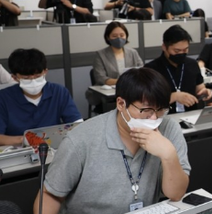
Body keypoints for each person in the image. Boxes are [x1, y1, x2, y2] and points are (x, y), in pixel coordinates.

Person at [36, 68, 190, 213]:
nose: (155, 118)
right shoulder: (81, 139)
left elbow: (176, 194)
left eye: (161, 109)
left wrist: (168, 155)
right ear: (121, 104)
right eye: (146, 110)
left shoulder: (169, 128)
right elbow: (50, 195)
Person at [0, 48, 82, 146]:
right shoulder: (4, 98)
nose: (33, 81)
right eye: (26, 78)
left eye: (38, 76)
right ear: (14, 77)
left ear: (45, 72)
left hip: (53, 148)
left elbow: (77, 125)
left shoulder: (59, 92)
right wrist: (24, 140)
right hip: (18, 152)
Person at [144, 25, 212, 113]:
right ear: (164, 47)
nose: (181, 53)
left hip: (191, 115)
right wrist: (174, 97)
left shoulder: (192, 64)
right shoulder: (151, 69)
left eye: (185, 50)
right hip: (163, 118)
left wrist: (204, 92)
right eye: (176, 51)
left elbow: (199, 88)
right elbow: (148, 102)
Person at [92, 22, 144, 86]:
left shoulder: (133, 53)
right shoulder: (100, 55)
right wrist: (122, 82)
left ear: (126, 36)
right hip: (109, 89)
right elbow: (100, 78)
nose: (119, 38)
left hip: (131, 89)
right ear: (108, 37)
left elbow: (142, 71)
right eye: (114, 36)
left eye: (122, 35)